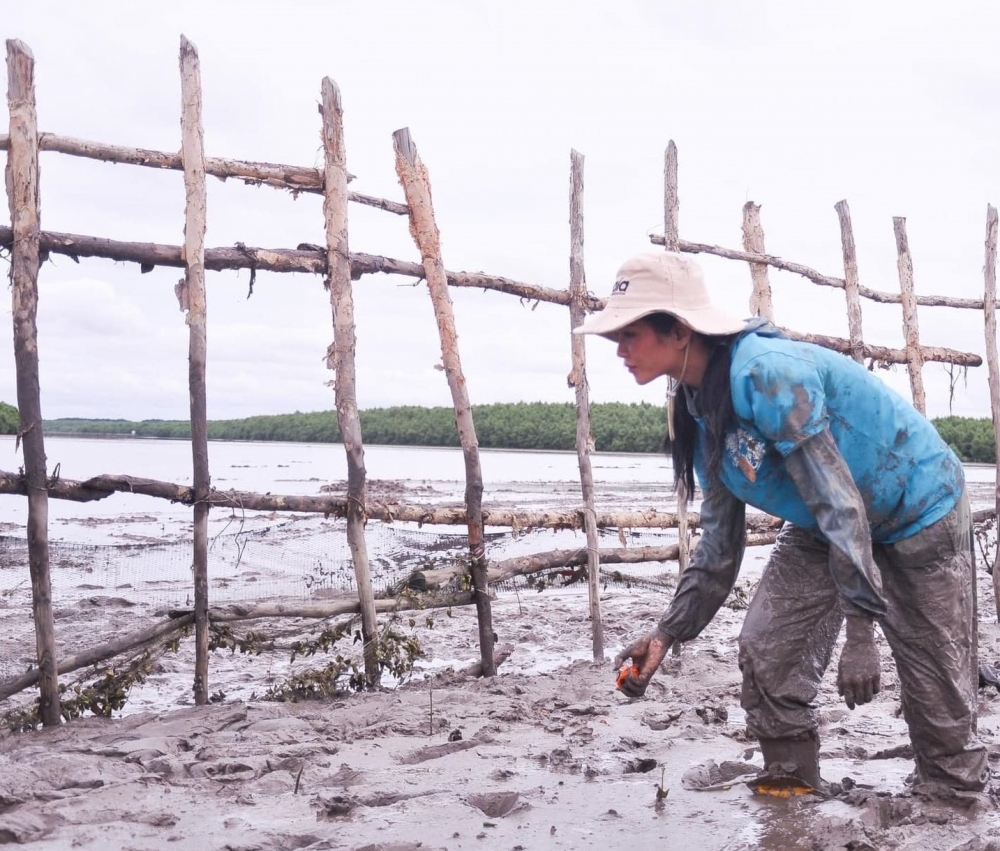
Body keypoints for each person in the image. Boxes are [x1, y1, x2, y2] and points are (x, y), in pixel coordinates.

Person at [574, 250, 988, 794]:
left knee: (937, 690)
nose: (621, 351)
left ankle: (952, 799)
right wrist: (668, 632)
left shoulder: (767, 374)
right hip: (825, 525)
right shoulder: (696, 407)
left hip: (917, 512)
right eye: (615, 339)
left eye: (629, 335)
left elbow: (843, 503)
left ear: (677, 331)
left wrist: (860, 631)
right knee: (768, 647)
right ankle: (790, 788)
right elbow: (721, 542)